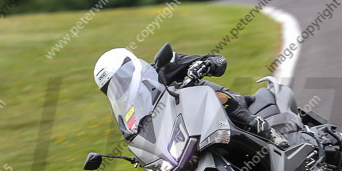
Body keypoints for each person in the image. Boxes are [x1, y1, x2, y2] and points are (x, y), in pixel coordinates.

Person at [93, 47, 289, 148]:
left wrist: (203, 65)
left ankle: (263, 128)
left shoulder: (164, 66)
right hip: (187, 136)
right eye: (112, 87)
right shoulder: (129, 115)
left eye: (121, 79)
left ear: (132, 67)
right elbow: (139, 138)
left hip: (216, 110)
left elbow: (215, 59)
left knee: (211, 93)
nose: (120, 87)